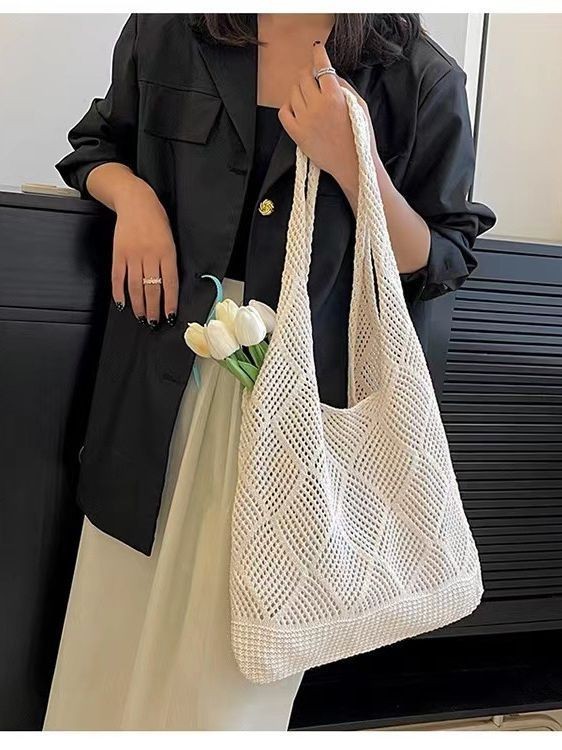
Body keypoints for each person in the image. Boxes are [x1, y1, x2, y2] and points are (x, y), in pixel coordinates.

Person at [43, 13, 496, 730]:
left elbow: (442, 258)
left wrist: (356, 166)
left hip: (299, 423)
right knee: (109, 647)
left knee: (231, 682)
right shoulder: (169, 31)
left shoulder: (419, 74)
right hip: (157, 393)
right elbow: (96, 145)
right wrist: (134, 199)